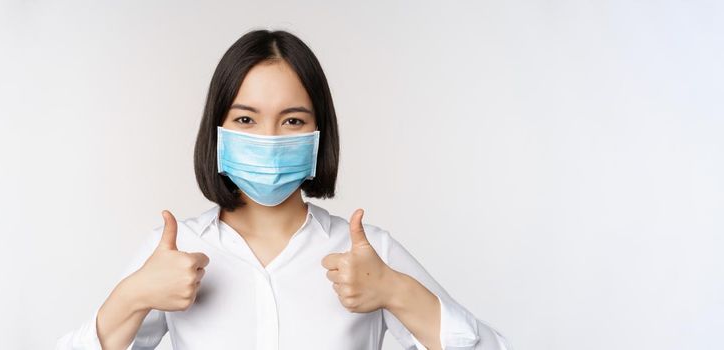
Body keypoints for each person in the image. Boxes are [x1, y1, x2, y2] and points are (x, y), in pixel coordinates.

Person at [56, 29, 509, 350]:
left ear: (319, 133)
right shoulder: (174, 252)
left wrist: (398, 293)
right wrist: (132, 298)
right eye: (246, 120)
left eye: (292, 120)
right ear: (218, 130)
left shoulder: (369, 257)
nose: (269, 140)